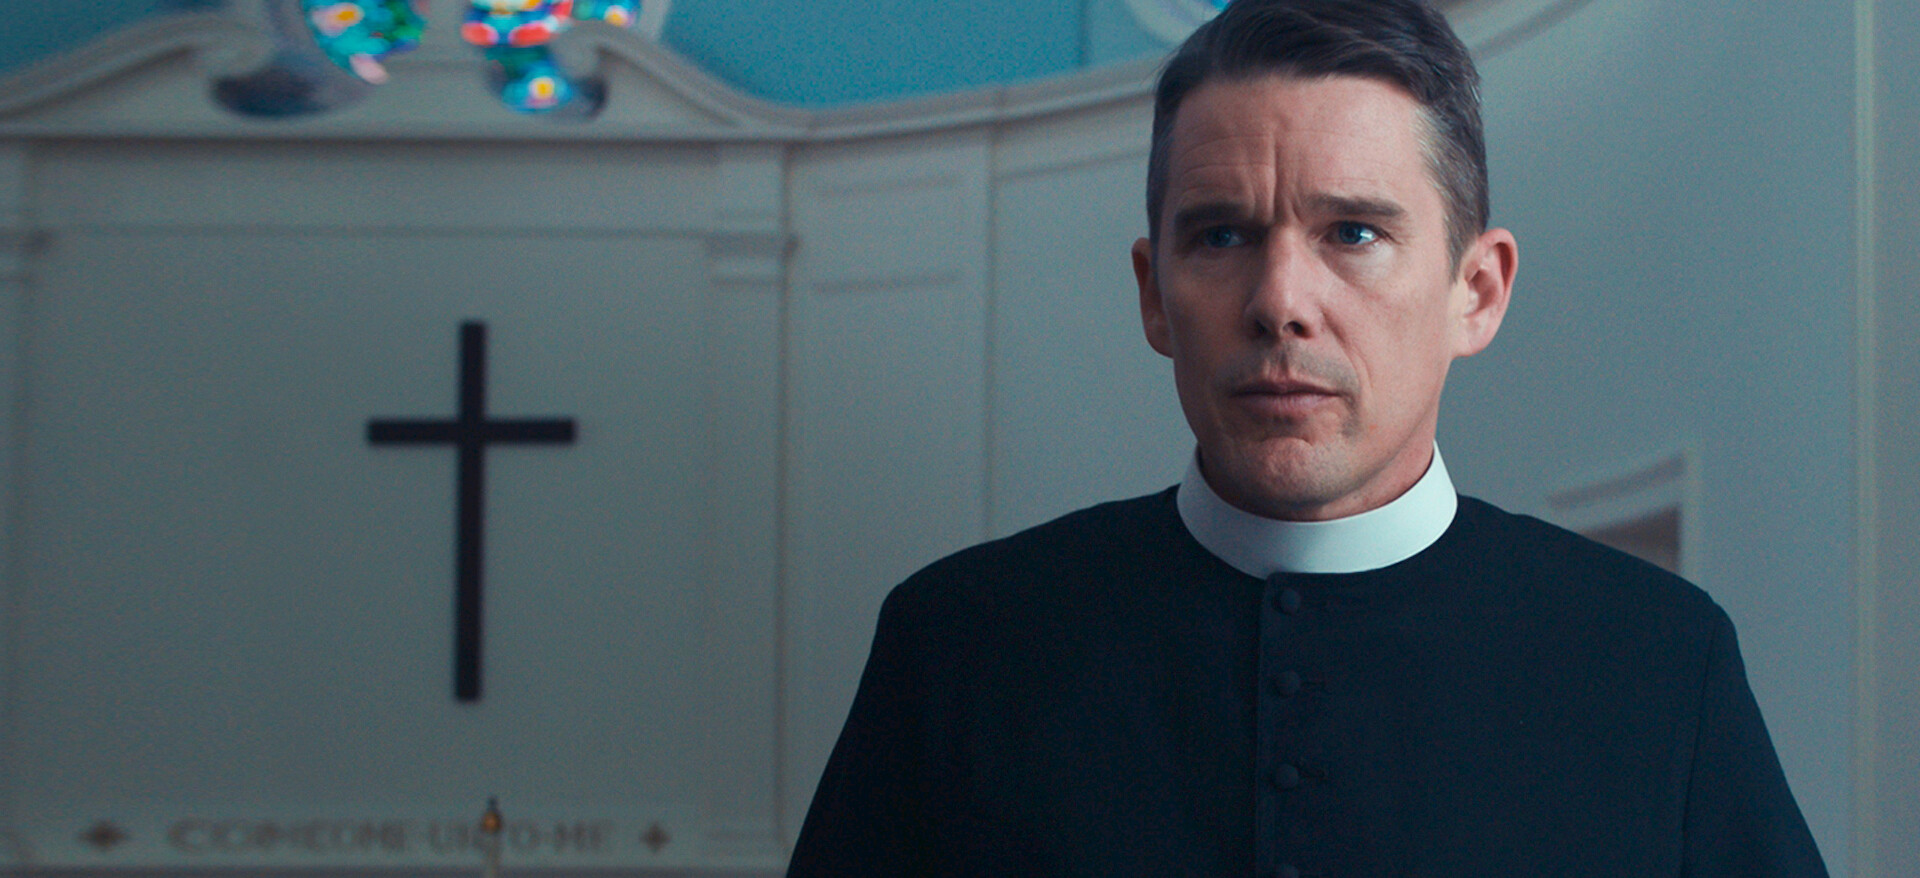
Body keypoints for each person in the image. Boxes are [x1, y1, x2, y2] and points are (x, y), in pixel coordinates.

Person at [786, 0, 1828, 874]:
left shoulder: (1660, 661)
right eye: (1222, 235)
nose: (1280, 301)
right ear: (1153, 294)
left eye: (1354, 232)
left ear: (1476, 290)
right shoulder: (956, 645)